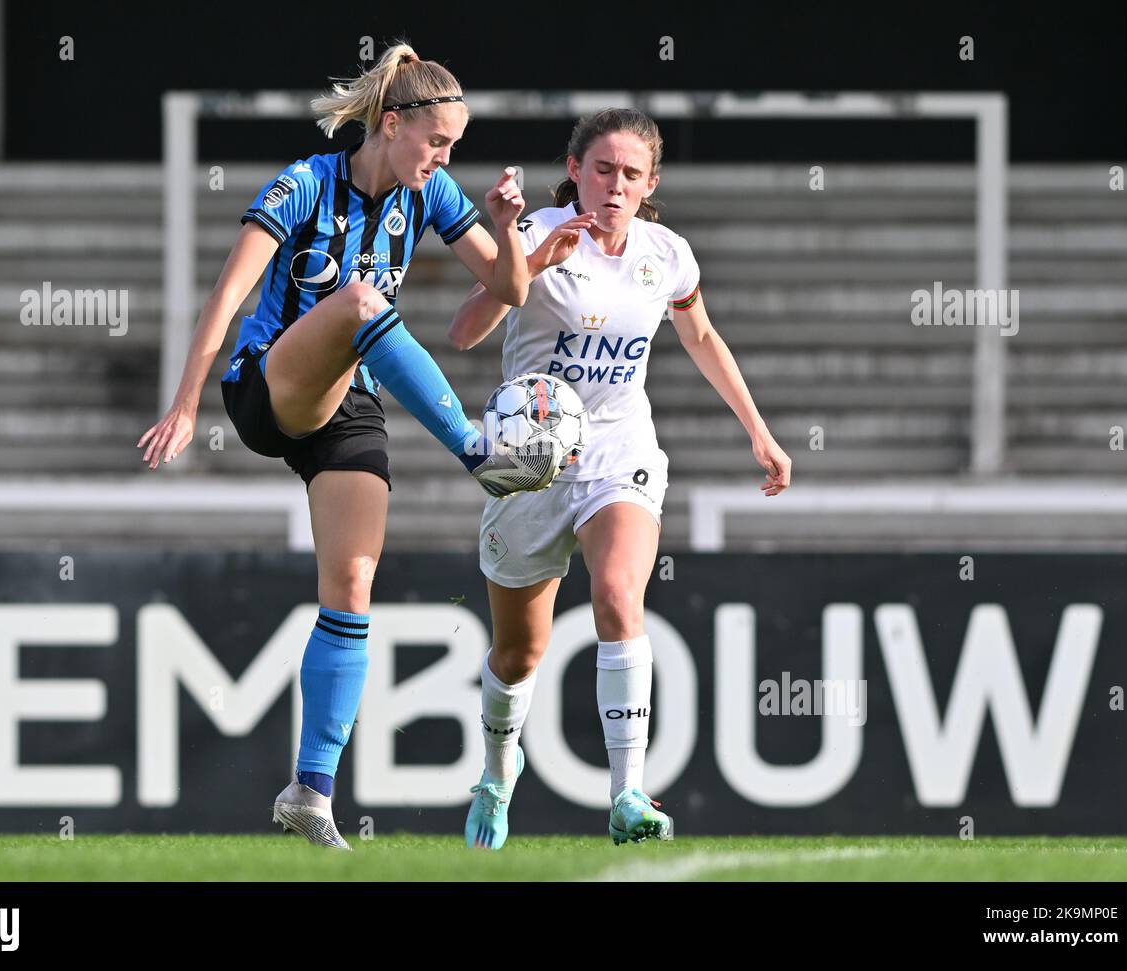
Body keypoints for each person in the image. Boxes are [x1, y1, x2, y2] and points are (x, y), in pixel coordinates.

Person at [137, 41, 532, 848]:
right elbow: (227, 295)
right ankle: (473, 449)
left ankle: (309, 792)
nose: (444, 157)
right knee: (357, 301)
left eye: (453, 146)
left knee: (353, 583)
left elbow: (510, 290)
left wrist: (506, 228)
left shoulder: (433, 193)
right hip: (270, 385)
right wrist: (183, 403)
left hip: (349, 399)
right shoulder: (305, 182)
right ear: (392, 125)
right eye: (436, 142)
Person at [448, 108, 793, 849]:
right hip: (528, 456)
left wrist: (758, 430)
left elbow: (699, 333)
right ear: (575, 170)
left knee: (615, 593)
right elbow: (464, 329)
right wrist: (525, 261)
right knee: (518, 654)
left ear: (650, 184)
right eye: (601, 168)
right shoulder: (540, 231)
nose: (615, 184)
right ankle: (497, 779)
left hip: (618, 445)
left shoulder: (665, 255)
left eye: (631, 173)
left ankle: (627, 792)